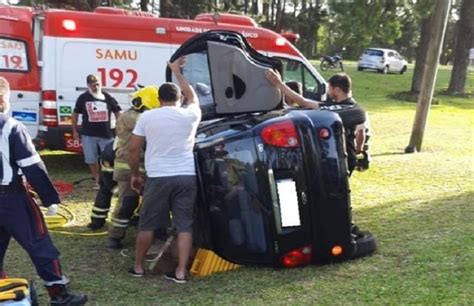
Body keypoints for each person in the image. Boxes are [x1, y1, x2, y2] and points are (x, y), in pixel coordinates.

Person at [0, 76, 87, 305]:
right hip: (12, 198)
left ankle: (3, 291)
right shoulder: (11, 127)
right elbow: (32, 167)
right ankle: (59, 294)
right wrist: (50, 199)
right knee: (39, 244)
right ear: (2, 100)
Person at [128, 57, 201, 283]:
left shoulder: (147, 117)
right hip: (186, 176)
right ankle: (180, 271)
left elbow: (133, 148)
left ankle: (139, 267)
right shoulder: (191, 114)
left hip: (158, 177)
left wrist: (134, 174)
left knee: (147, 223)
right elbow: (194, 96)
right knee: (184, 225)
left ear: (158, 100)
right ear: (179, 98)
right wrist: (177, 73)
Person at [265, 70, 366, 175]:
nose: (328, 92)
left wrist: (278, 84)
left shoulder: (353, 110)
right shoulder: (344, 107)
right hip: (335, 157)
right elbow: (361, 133)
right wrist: (359, 149)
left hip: (343, 159)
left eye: (329, 88)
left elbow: (303, 102)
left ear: (337, 90)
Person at [106, 86, 161, 249]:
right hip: (129, 169)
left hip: (146, 167)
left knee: (152, 202)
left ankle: (143, 226)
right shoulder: (131, 117)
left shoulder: (144, 116)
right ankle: (114, 236)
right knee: (127, 203)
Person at [72, 74, 121, 188]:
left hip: (106, 134)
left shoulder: (108, 97)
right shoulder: (83, 98)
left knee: (110, 158)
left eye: (98, 85)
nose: (96, 87)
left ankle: (111, 180)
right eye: (93, 85)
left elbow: (118, 112)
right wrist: (74, 130)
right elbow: (75, 114)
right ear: (88, 85)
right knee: (91, 159)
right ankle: (97, 180)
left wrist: (119, 127)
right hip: (88, 134)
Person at [87, 139, 115, 230]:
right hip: (110, 174)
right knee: (105, 191)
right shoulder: (109, 151)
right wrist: (116, 189)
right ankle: (97, 221)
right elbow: (107, 176)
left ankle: (136, 218)